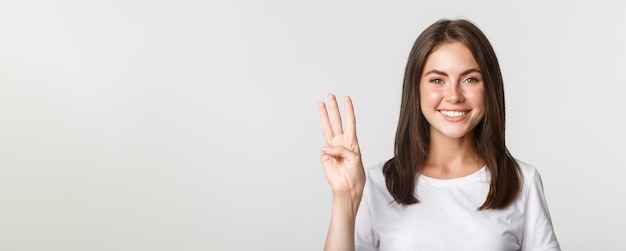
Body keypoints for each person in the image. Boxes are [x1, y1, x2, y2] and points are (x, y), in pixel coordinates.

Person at [317, 18, 560, 251]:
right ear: (416, 89)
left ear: (490, 88)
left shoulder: (522, 181)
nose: (454, 96)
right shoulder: (375, 184)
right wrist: (345, 198)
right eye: (437, 80)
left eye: (470, 79)